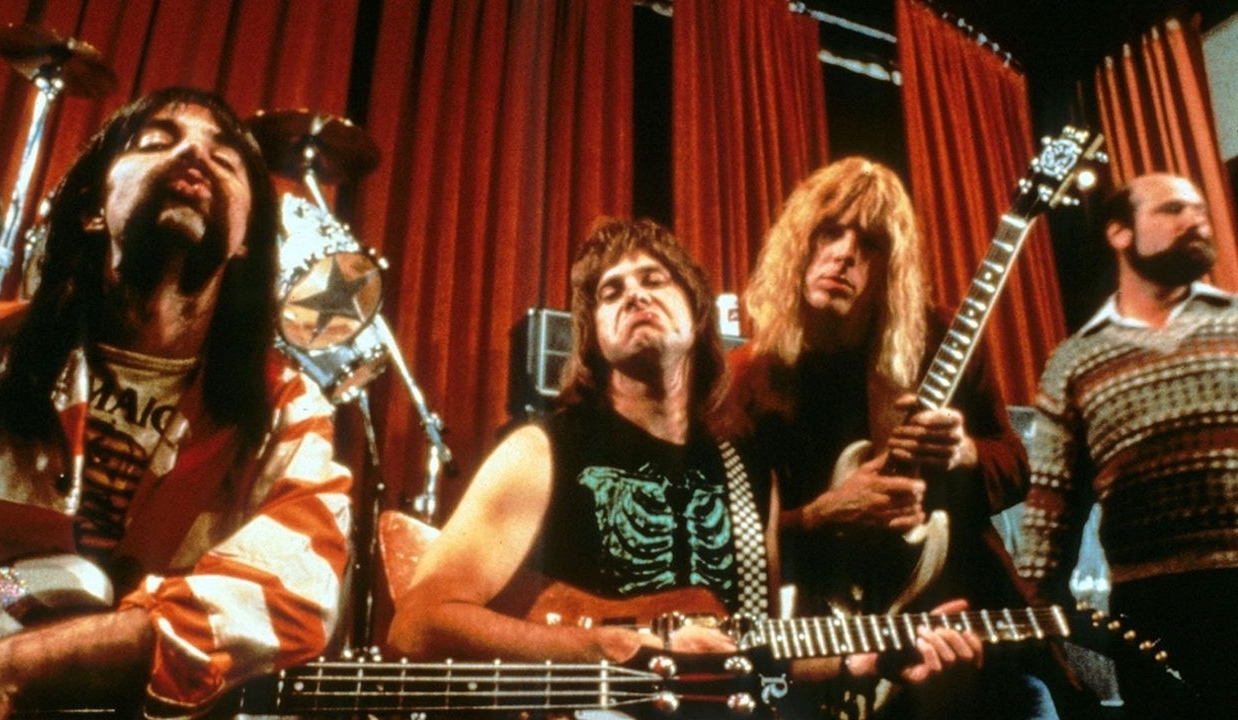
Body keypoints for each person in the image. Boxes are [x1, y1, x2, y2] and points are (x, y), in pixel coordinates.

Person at [387, 217, 981, 717]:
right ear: (593, 338)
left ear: (697, 313)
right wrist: (610, 650)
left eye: (654, 280)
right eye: (610, 292)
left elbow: (748, 649)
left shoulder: (749, 469)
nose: (634, 296)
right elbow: (417, 624)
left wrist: (867, 657)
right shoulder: (541, 449)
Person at [0, 87, 353, 718]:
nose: (193, 153)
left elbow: (295, 594)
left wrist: (10, 669)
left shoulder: (285, 408)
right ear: (93, 207)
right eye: (155, 141)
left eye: (224, 158)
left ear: (245, 241)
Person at [727, 157, 1075, 719]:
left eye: (870, 243)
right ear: (798, 246)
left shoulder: (938, 340)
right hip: (830, 640)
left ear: (892, 266)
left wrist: (964, 453)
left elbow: (1014, 463)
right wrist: (817, 516)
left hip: (959, 623)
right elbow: (726, 540)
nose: (845, 254)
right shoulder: (750, 378)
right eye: (829, 232)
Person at [1016, 173, 1237, 719]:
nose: (1196, 220)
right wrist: (1043, 625)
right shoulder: (1074, 362)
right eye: (1173, 209)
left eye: (1200, 210)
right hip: (1152, 617)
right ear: (1120, 232)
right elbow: (1049, 511)